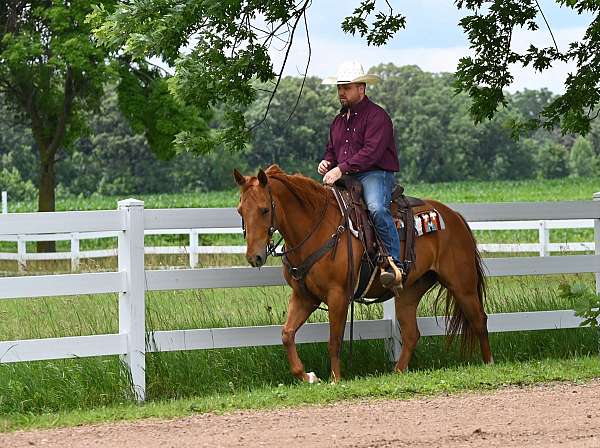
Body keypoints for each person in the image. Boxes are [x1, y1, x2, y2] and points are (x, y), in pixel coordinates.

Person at [319, 60, 404, 288]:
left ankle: (395, 263)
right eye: (339, 87)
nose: (341, 92)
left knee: (376, 208)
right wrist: (327, 162)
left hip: (374, 173)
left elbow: (371, 153)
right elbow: (332, 149)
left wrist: (340, 169)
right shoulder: (338, 121)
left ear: (361, 88)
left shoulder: (377, 117)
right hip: (346, 176)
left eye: (346, 87)